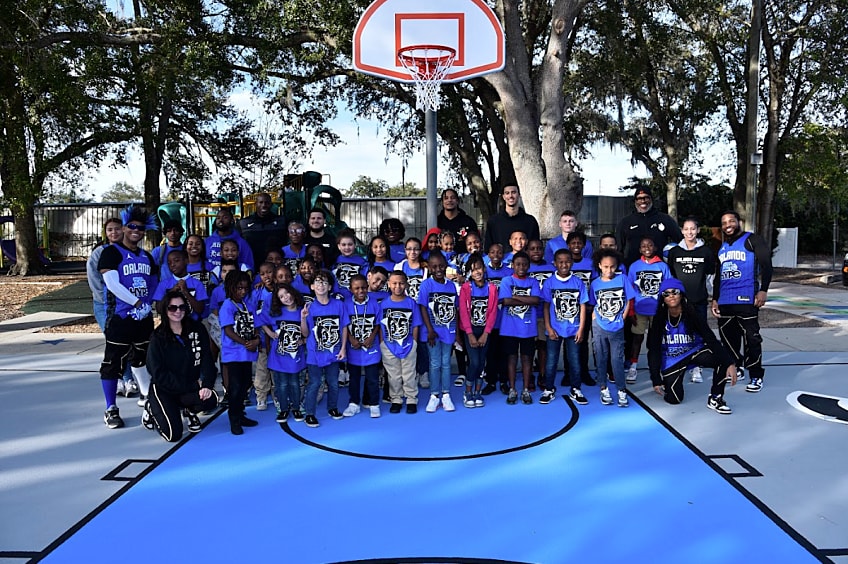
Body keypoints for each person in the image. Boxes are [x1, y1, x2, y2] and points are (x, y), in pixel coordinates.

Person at [97, 205, 159, 429]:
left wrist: (148, 305)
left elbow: (153, 284)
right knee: (112, 363)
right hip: (121, 318)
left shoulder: (147, 257)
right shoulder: (111, 253)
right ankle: (111, 407)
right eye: (132, 226)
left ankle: (147, 399)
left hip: (143, 319)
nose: (136, 231)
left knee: (141, 359)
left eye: (140, 228)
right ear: (124, 228)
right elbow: (112, 284)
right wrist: (136, 302)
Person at [649, 278, 737, 414]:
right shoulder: (659, 318)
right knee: (674, 399)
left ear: (681, 294)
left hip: (693, 352)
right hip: (672, 359)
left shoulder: (692, 313)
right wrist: (656, 378)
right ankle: (670, 382)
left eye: (674, 292)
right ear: (662, 298)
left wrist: (729, 362)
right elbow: (653, 349)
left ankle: (715, 398)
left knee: (722, 359)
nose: (671, 295)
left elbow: (711, 339)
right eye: (666, 293)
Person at [143, 290, 219, 441]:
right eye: (172, 308)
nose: (178, 311)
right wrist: (189, 386)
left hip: (189, 386)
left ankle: (189, 411)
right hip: (165, 389)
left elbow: (207, 360)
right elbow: (157, 372)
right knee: (173, 435)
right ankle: (151, 408)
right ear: (165, 310)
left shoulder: (197, 329)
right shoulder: (158, 337)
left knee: (211, 399)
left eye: (181, 307)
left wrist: (207, 385)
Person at [711, 210, 773, 393]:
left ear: (738, 222)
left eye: (731, 221)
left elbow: (767, 265)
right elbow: (718, 277)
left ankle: (755, 374)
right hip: (725, 301)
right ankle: (736, 367)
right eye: (724, 222)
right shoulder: (722, 247)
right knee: (729, 340)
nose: (728, 225)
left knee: (752, 339)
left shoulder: (752, 240)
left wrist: (763, 290)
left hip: (746, 299)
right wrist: (715, 299)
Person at [87, 217, 137, 397]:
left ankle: (128, 378)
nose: (114, 233)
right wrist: (110, 299)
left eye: (117, 229)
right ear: (105, 233)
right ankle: (120, 378)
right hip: (106, 305)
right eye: (110, 230)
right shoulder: (100, 253)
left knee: (130, 342)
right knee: (114, 342)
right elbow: (95, 281)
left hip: (128, 304)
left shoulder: (130, 252)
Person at [667, 217, 715, 383]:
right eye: (686, 229)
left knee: (698, 334)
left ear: (698, 230)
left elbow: (710, 277)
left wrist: (713, 297)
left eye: (692, 229)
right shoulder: (674, 252)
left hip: (699, 300)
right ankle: (679, 364)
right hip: (679, 303)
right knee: (679, 334)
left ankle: (696, 367)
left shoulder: (706, 252)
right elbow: (671, 277)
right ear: (682, 231)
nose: (689, 232)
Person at [301, 269, 349, 428]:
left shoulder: (339, 305)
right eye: (317, 282)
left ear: (330, 287)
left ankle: (333, 408)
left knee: (333, 382)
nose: (320, 285)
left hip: (334, 353)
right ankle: (310, 413)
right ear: (312, 287)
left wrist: (343, 348)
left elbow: (344, 328)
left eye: (324, 282)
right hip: (314, 354)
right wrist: (303, 318)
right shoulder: (309, 307)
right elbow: (306, 333)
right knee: (314, 383)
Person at [541, 249, 589, 406]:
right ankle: (549, 388)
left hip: (573, 329)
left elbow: (582, 306)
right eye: (560, 261)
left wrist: (581, 329)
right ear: (555, 263)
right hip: (554, 329)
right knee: (551, 361)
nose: (564, 264)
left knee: (574, 361)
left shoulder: (578, 282)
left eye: (567, 261)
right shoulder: (549, 283)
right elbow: (546, 307)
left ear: (572, 262)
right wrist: (548, 327)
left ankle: (576, 388)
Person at [588, 248, 634, 407]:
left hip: (617, 326)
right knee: (600, 357)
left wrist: (623, 317)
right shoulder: (595, 283)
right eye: (606, 266)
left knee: (617, 359)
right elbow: (593, 303)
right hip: (599, 326)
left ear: (617, 266)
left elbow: (629, 300)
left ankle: (621, 390)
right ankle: (603, 388)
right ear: (599, 265)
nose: (609, 270)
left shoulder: (623, 280)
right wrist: (594, 317)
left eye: (612, 266)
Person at [258, 282, 307, 424]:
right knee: (281, 385)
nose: (286, 297)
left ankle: (296, 408)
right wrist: (270, 332)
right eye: (281, 296)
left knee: (295, 383)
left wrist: (303, 341)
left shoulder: (301, 311)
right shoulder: (276, 312)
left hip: (295, 356)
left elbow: (306, 333)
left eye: (287, 293)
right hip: (278, 356)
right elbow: (260, 319)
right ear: (277, 300)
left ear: (293, 292)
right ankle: (283, 409)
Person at [219, 270, 261, 435]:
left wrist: (256, 340)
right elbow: (228, 330)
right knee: (235, 387)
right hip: (234, 353)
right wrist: (245, 342)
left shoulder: (248, 305)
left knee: (245, 384)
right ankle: (234, 418)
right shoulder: (227, 306)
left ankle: (241, 414)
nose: (242, 291)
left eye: (245, 288)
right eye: (239, 288)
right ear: (230, 288)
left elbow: (256, 327)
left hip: (247, 353)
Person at [626, 237, 672, 384]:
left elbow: (669, 288)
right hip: (639, 308)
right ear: (640, 249)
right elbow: (630, 291)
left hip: (657, 310)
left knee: (655, 340)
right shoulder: (634, 266)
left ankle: (655, 365)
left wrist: (668, 308)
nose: (647, 248)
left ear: (655, 248)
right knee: (637, 338)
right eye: (643, 246)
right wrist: (631, 311)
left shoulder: (662, 266)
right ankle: (633, 365)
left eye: (650, 245)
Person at [498, 251, 541, 405]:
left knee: (527, 358)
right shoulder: (506, 280)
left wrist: (515, 297)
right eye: (518, 264)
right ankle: (512, 389)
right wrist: (526, 300)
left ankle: (525, 390)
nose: (521, 267)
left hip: (528, 328)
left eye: (524, 264)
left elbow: (536, 300)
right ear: (512, 266)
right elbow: (506, 302)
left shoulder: (533, 281)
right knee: (511, 358)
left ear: (528, 266)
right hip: (509, 328)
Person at [418, 251, 458, 413]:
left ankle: (446, 395)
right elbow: (422, 307)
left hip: (448, 331)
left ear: (446, 266)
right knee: (434, 363)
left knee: (446, 363)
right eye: (434, 266)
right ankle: (434, 396)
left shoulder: (451, 285)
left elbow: (453, 309)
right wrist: (429, 330)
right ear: (429, 268)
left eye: (441, 265)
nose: (439, 269)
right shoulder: (426, 285)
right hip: (432, 333)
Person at [457, 253, 497, 407]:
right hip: (471, 331)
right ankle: (468, 391)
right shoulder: (466, 288)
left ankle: (477, 392)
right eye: (473, 270)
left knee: (482, 362)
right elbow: (463, 313)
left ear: (484, 268)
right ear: (469, 273)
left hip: (484, 331)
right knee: (474, 362)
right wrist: (470, 334)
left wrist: (486, 333)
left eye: (479, 268)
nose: (477, 272)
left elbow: (493, 312)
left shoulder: (492, 288)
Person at [380, 271, 422, 414]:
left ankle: (411, 399)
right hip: (389, 345)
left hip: (408, 344)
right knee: (394, 375)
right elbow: (380, 325)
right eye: (394, 283)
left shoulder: (411, 303)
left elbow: (416, 324)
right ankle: (396, 399)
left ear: (406, 284)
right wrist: (382, 343)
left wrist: (414, 342)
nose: (397, 286)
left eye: (401, 283)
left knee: (409, 373)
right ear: (389, 284)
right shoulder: (384, 304)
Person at [342, 275, 382, 418]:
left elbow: (378, 323)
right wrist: (351, 339)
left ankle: (374, 403)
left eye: (364, 287)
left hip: (371, 347)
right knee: (354, 378)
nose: (361, 291)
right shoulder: (346, 304)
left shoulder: (374, 303)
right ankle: (354, 403)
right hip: (353, 348)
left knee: (372, 378)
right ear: (350, 289)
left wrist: (372, 337)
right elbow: (344, 325)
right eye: (357, 288)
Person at [615, 186, 682, 266]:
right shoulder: (625, 222)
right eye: (639, 198)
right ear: (635, 201)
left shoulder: (665, 219)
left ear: (651, 199)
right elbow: (618, 248)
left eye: (646, 198)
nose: (643, 201)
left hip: (660, 267)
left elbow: (680, 241)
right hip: (633, 269)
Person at [483, 184, 540, 253]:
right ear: (503, 197)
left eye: (513, 192)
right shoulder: (494, 221)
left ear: (519, 195)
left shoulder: (530, 221)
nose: (510, 196)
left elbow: (535, 247)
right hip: (501, 262)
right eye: (507, 193)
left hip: (524, 262)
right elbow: (488, 248)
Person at [236, 192, 287, 265]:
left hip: (275, 266)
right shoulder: (243, 223)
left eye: (267, 203)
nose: (264, 205)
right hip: (251, 265)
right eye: (261, 202)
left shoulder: (282, 222)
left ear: (271, 204)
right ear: (256, 204)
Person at [206, 207, 254, 271]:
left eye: (225, 217)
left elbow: (249, 265)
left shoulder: (242, 242)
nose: (221, 220)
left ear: (232, 220)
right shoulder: (207, 241)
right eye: (218, 218)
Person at [437, 188, 479, 254]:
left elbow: (476, 244)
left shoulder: (468, 221)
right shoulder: (437, 222)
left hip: (465, 261)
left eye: (452, 197)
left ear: (457, 201)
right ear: (442, 202)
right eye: (446, 198)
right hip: (442, 261)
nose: (449, 200)